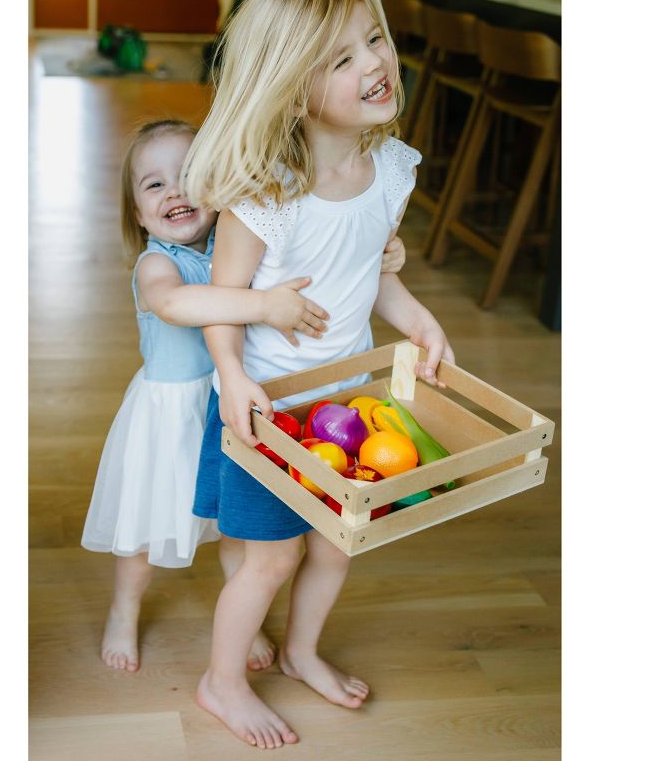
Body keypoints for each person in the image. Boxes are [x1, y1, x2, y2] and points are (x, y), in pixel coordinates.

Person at [184, 0, 456, 750]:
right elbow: (223, 303)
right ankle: (222, 682)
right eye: (339, 60)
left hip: (343, 399)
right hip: (269, 407)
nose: (374, 63)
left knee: (339, 544)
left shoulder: (393, 169)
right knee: (269, 562)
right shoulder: (267, 196)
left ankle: (300, 651)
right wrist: (233, 378)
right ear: (290, 90)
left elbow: (373, 274)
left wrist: (419, 321)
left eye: (372, 40)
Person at [81, 119, 407, 674]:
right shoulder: (158, 265)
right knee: (147, 529)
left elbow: (322, 259)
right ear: (137, 214)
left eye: (188, 174)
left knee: (235, 529)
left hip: (228, 410)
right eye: (153, 185)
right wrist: (262, 307)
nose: (176, 191)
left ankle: (245, 623)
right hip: (166, 418)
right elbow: (176, 305)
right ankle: (124, 608)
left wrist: (380, 254)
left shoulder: (243, 245)